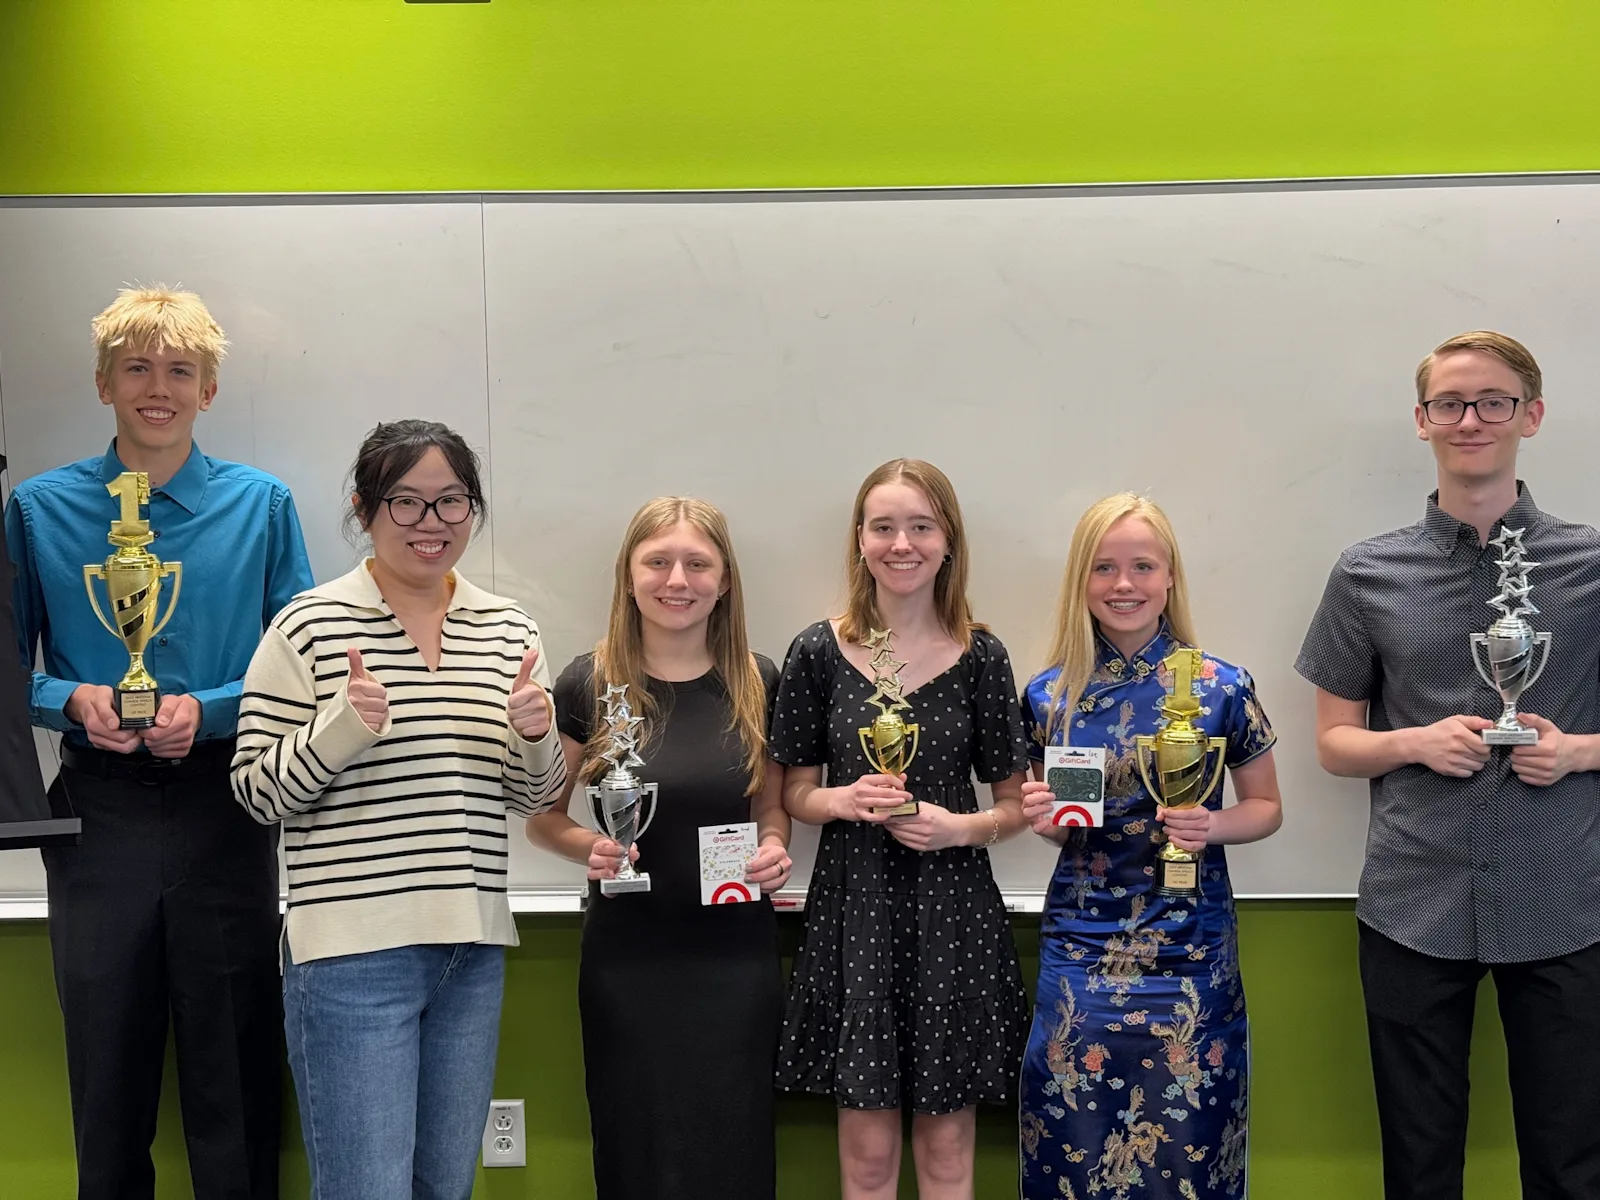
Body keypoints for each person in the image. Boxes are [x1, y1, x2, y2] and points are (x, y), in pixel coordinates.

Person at [3, 284, 313, 1199]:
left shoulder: (262, 506)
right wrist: (70, 698)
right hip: (95, 815)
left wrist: (209, 710)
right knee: (107, 1074)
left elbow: (302, 661)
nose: (158, 388)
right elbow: (6, 669)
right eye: (136, 368)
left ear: (208, 390)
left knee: (237, 1072)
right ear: (103, 382)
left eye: (180, 371)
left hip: (227, 806)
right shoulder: (37, 510)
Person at [1296, 331, 1600, 1200]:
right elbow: (1333, 741)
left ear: (1530, 416)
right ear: (1422, 420)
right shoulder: (1367, 572)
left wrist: (1576, 752)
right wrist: (1413, 742)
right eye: (1451, 404)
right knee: (1420, 1164)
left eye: (1494, 401)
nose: (1471, 420)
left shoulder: (1591, 565)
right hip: (1414, 902)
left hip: (1565, 899)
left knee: (1572, 1163)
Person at [230, 419, 566, 1199]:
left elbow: (531, 796)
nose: (431, 523)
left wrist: (537, 735)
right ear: (364, 508)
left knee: (445, 1187)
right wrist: (342, 728)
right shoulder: (309, 625)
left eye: (452, 501)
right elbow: (255, 792)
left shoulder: (507, 628)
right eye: (406, 502)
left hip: (470, 952)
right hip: (351, 959)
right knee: (366, 1189)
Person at [767, 457, 1030, 1200]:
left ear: (948, 541)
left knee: (946, 1159)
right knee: (868, 1162)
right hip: (856, 916)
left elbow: (1014, 807)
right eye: (883, 527)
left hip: (956, 918)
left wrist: (960, 828)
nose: (902, 543)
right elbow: (794, 793)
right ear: (860, 540)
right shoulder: (816, 651)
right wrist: (841, 801)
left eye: (921, 526)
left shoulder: (982, 656)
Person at [1015, 493, 1281, 1199]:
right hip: (1081, 950)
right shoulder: (1048, 695)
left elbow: (1266, 808)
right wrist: (1043, 818)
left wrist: (1213, 826)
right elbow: (1056, 823)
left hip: (1191, 951)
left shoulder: (1223, 686)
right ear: (1081, 579)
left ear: (1170, 577)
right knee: (1073, 1145)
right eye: (1103, 567)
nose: (1123, 584)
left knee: (1192, 1150)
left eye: (1142, 566)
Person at [525, 495, 792, 1198]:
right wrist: (590, 848)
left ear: (724, 580)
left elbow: (770, 806)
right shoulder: (588, 681)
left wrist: (773, 846)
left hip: (735, 960)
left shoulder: (759, 680)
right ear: (629, 574)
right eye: (658, 562)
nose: (678, 580)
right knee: (636, 1150)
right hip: (629, 961)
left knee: (733, 1150)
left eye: (698, 564)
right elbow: (543, 818)